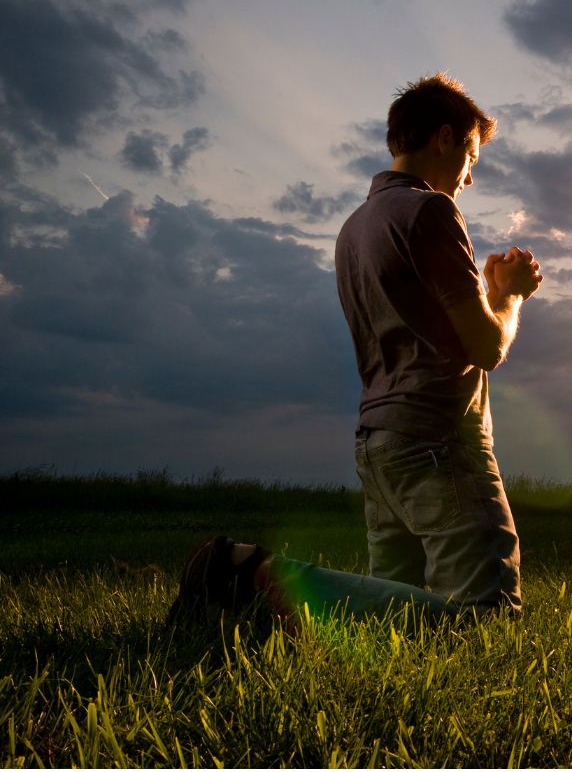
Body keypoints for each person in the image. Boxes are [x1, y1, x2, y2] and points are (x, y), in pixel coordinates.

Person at [167, 73, 540, 627]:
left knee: (387, 616)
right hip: (437, 436)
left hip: (378, 441)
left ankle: (242, 600)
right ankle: (250, 572)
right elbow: (486, 348)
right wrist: (508, 296)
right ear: (445, 137)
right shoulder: (431, 212)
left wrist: (484, 294)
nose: (469, 176)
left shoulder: (354, 228)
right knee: (490, 618)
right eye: (472, 156)